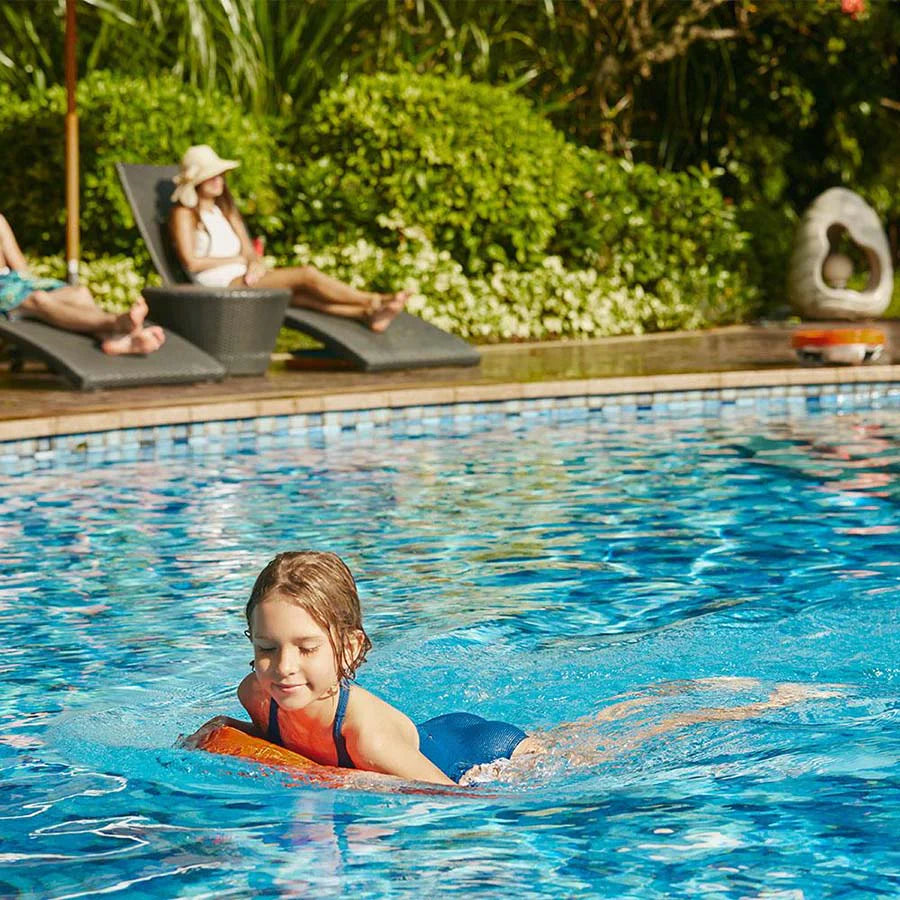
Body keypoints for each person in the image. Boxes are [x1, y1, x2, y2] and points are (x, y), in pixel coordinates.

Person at [184, 551, 840, 788]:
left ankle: (731, 701)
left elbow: (447, 798)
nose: (282, 667)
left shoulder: (365, 730)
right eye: (267, 647)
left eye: (305, 648)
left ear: (348, 651)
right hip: (431, 732)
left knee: (605, 741)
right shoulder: (257, 693)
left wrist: (336, 784)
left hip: (474, 754)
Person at [168, 145, 409, 333]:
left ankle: (366, 314)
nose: (218, 180)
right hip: (218, 285)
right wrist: (238, 258)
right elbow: (191, 262)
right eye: (211, 176)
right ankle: (375, 300)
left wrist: (253, 262)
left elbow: (249, 250)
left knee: (300, 297)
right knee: (306, 274)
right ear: (196, 182)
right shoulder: (184, 213)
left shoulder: (225, 210)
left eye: (220, 175)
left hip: (243, 276)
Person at [0, 213, 165, 356]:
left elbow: (22, 271)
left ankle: (116, 339)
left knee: (79, 293)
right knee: (38, 299)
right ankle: (117, 323)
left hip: (17, 284)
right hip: (5, 296)